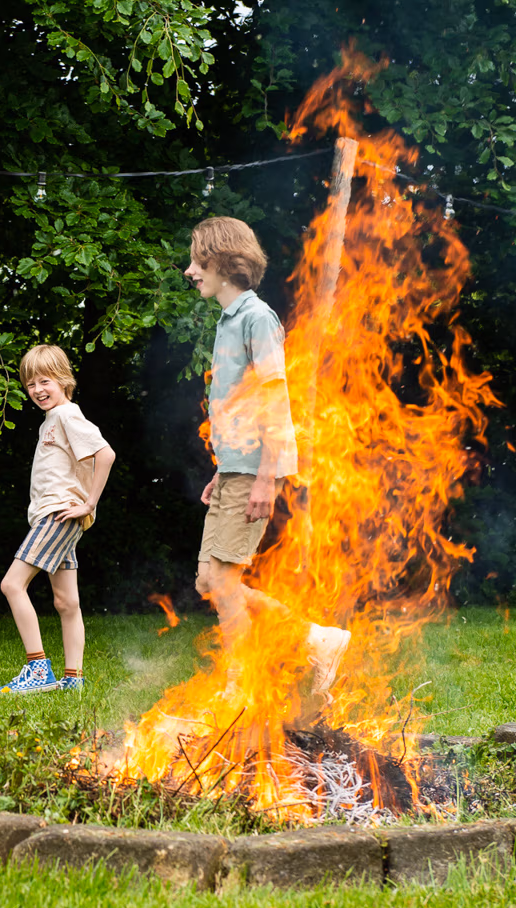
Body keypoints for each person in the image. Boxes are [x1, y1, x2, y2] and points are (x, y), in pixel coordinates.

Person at [184, 217, 349, 695]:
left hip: (256, 470)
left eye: (198, 261)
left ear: (222, 262)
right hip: (237, 468)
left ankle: (240, 684)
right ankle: (317, 639)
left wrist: (266, 479)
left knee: (224, 580)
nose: (191, 271)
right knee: (207, 581)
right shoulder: (229, 318)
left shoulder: (257, 318)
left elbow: (277, 402)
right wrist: (224, 469)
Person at [0, 344, 115, 695]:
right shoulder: (53, 420)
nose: (37, 390)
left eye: (44, 381)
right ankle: (73, 679)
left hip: (58, 514)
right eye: (30, 384)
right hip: (57, 515)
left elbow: (105, 454)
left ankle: (37, 667)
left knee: (11, 584)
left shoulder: (66, 415)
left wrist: (88, 504)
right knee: (66, 602)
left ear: (63, 380)